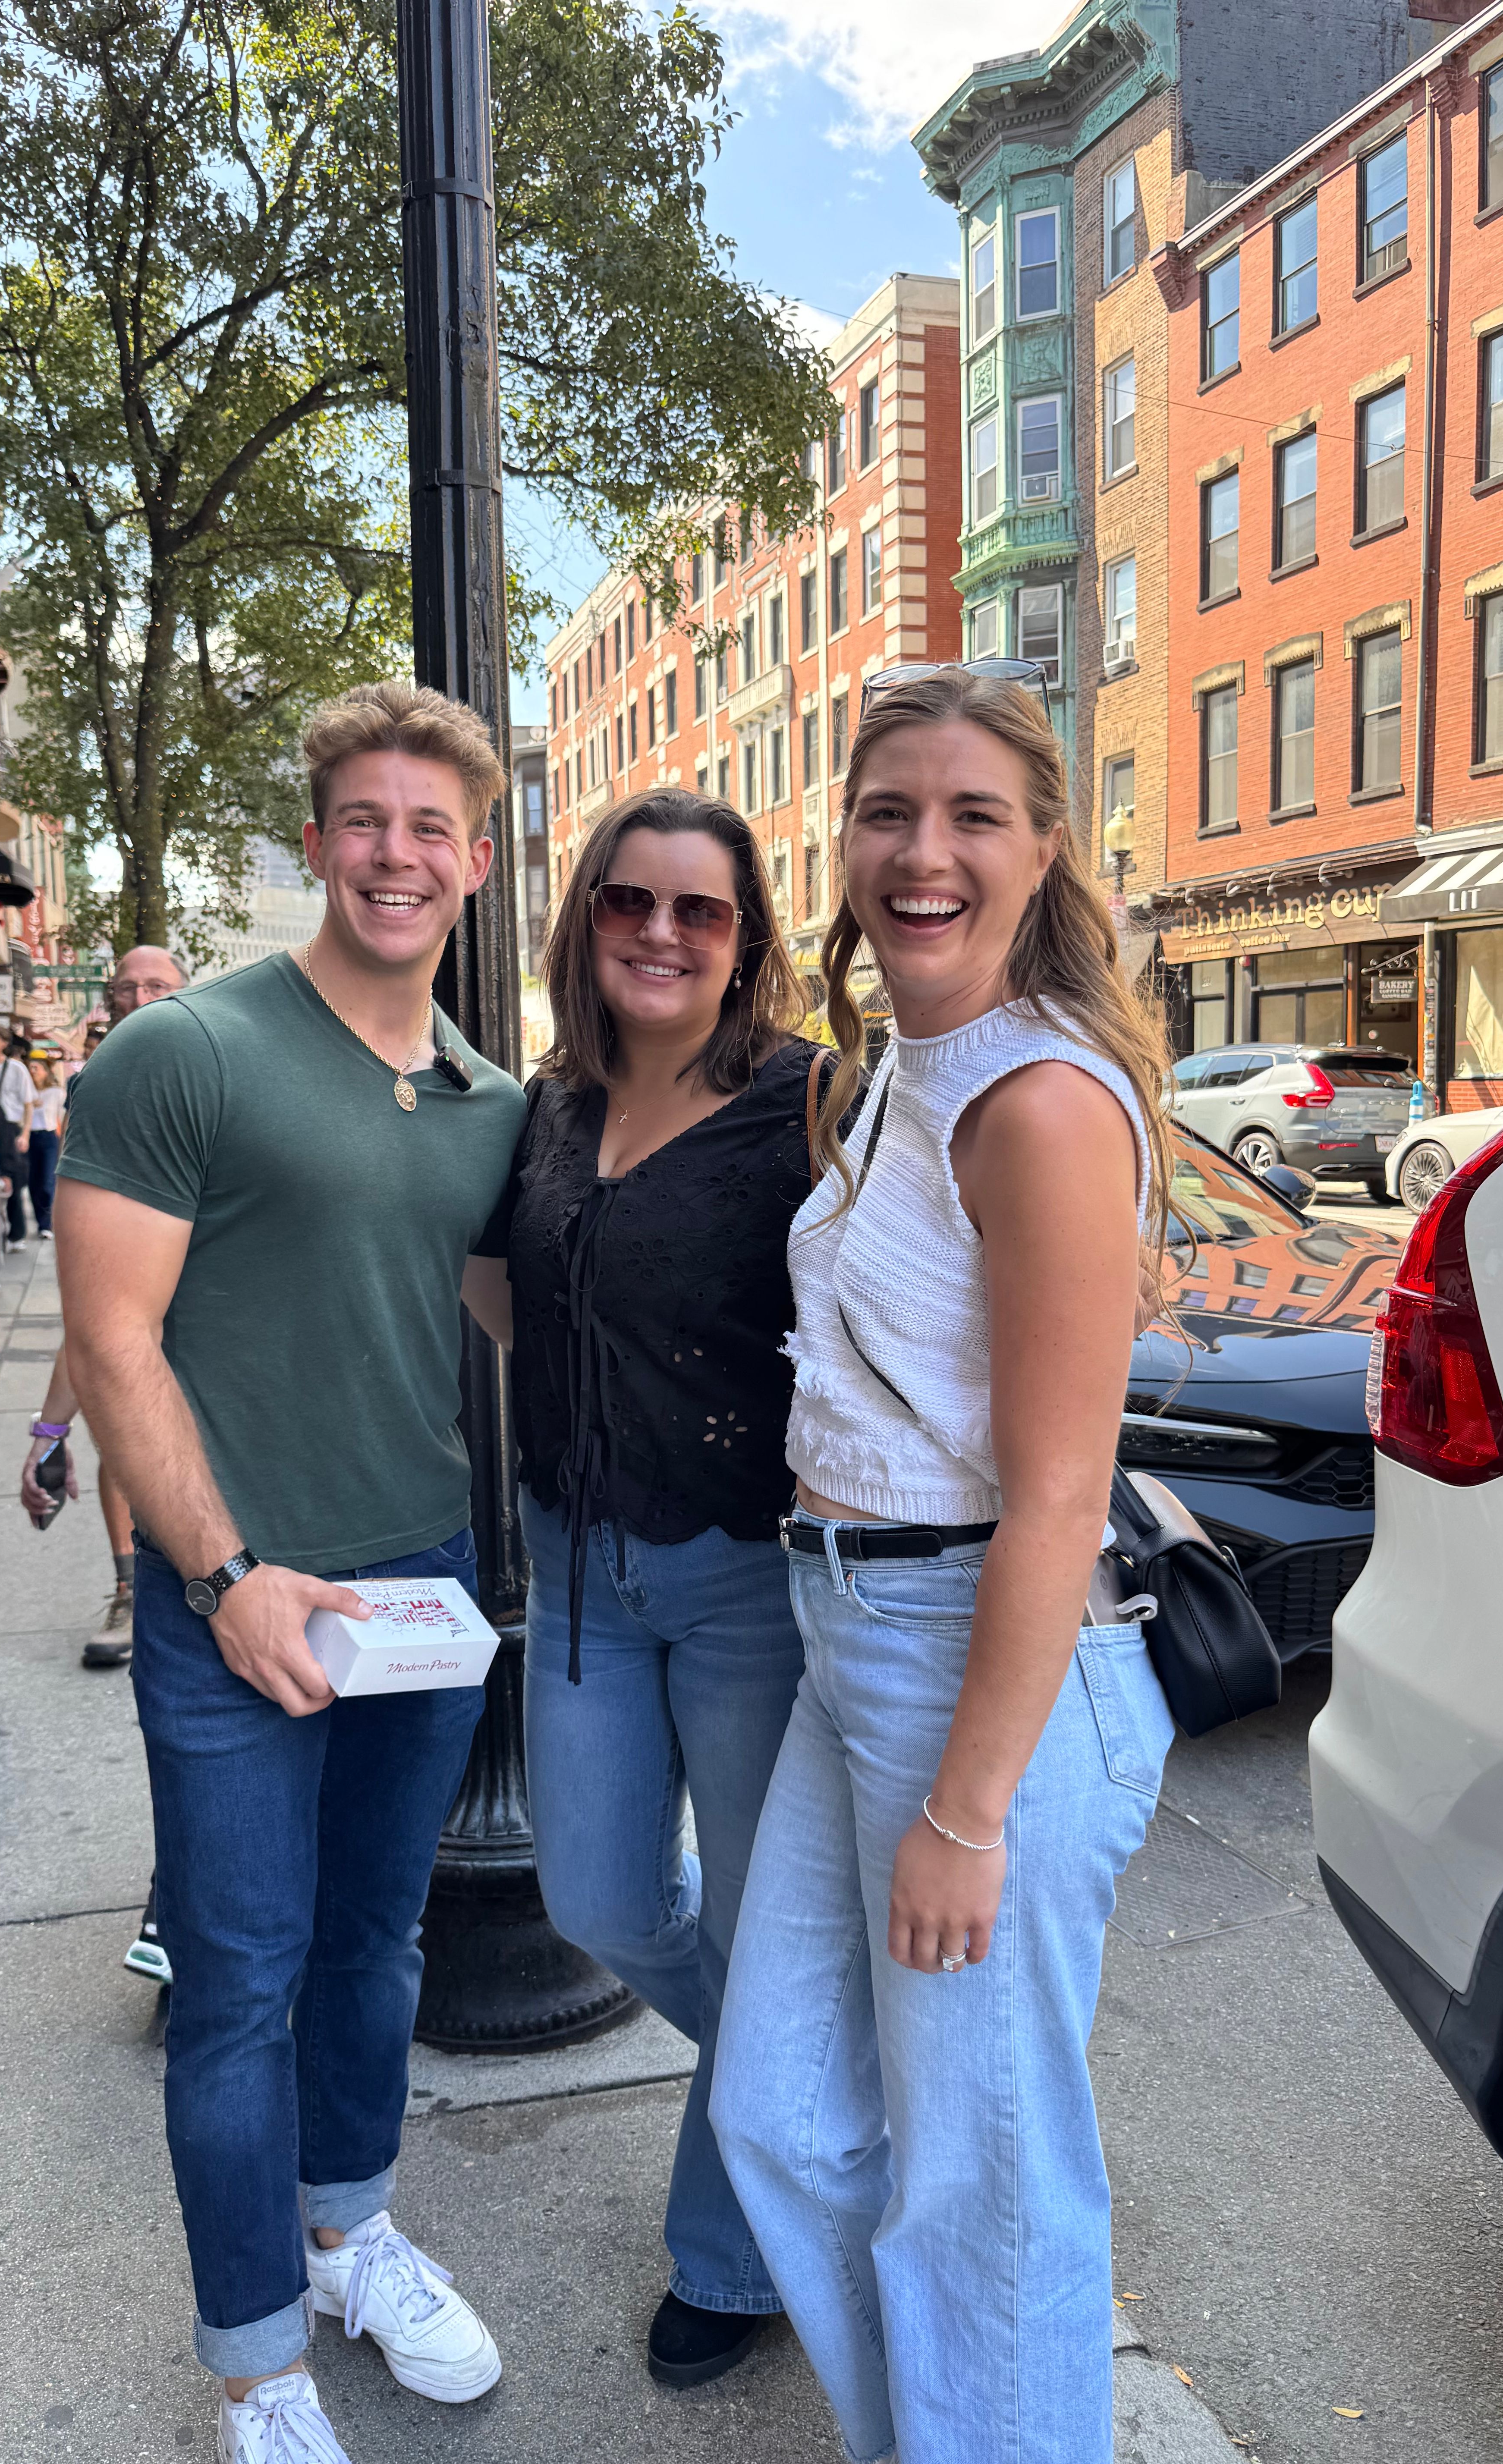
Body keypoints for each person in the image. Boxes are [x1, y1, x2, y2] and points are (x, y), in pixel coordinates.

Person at [710, 668, 1177, 2464]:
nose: (925, 851)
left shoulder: (1040, 1104)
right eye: (890, 810)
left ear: (1044, 845)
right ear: (841, 842)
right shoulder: (904, 1067)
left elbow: (1061, 1497)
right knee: (784, 2120)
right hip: (855, 1640)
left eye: (975, 814)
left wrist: (971, 1808)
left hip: (976, 1667)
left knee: (987, 2193)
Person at [55, 680, 522, 2463]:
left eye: (431, 829)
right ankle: (258, 2361)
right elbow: (115, 1341)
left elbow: (512, 1309)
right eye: (366, 820)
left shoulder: (488, 1098)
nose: (396, 855)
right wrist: (226, 1571)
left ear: (474, 863)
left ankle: (352, 2236)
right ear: (317, 839)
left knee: (375, 1948)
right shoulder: (189, 1054)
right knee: (239, 1979)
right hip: (233, 1592)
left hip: (412, 1581)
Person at [461, 787, 830, 2391]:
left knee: (758, 1932)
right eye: (631, 902)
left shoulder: (808, 1105)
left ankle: (731, 2249)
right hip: (584, 1572)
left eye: (701, 910)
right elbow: (503, 1286)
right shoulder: (547, 1106)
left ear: (746, 939)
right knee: (600, 1903)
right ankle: (804, 2088)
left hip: (749, 1581)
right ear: (586, 917)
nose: (663, 934)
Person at [16, 945, 189, 1678]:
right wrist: (50, 1428)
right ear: (109, 1002)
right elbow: (95, 1305)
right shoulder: (92, 1094)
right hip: (135, 1321)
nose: (142, 996)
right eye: (128, 986)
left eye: (159, 984)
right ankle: (131, 1589)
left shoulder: (220, 1077)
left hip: (225, 1329)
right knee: (124, 1438)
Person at [0, 1022, 36, 1251]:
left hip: (10, 1129)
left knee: (12, 1180)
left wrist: (25, 1134)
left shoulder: (16, 1069)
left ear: (4, 1043)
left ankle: (17, 1233)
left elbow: (29, 1104)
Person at [25, 1056, 64, 1238]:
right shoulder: (26, 1093)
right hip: (29, 1137)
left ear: (46, 1072)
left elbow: (63, 1118)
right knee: (33, 1182)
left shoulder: (56, 1092)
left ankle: (48, 1223)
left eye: (36, 1068)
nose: (33, 1072)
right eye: (30, 1068)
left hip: (49, 1138)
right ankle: (42, 1223)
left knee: (48, 1182)